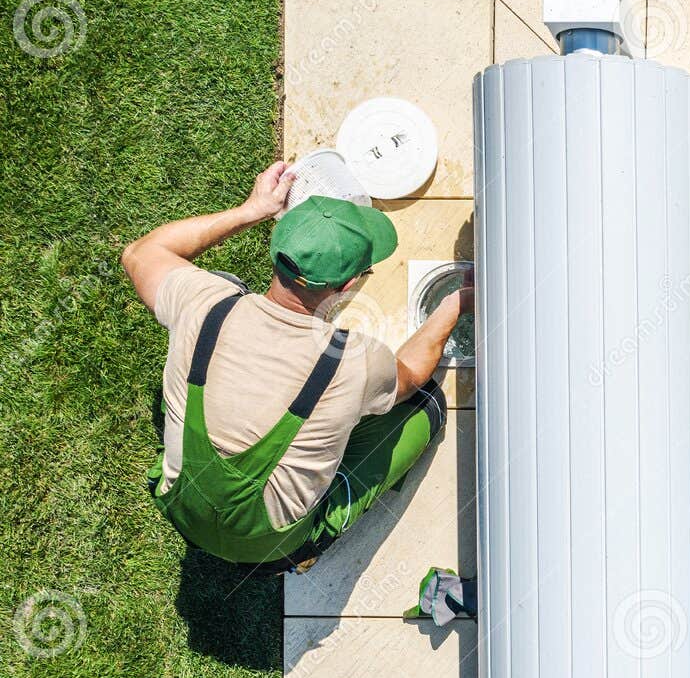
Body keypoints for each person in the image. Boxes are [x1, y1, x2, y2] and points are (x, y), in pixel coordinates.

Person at [120, 161, 470, 573]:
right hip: (267, 546)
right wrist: (455, 306)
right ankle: (303, 549)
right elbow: (412, 374)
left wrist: (251, 209)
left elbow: (140, 253)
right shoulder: (352, 362)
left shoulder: (204, 303)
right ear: (346, 286)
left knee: (221, 282)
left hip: (180, 504)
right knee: (421, 407)